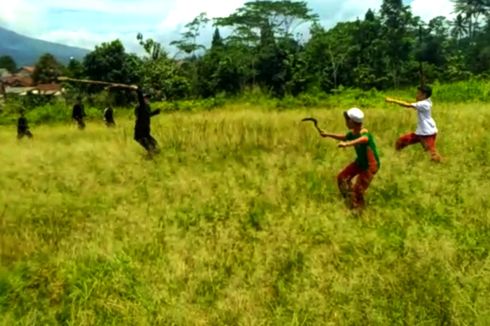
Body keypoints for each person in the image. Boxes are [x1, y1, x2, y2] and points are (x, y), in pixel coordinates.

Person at [320, 108, 380, 210]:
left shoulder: (364, 132)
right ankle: (350, 201)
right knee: (342, 178)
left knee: (359, 190)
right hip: (360, 163)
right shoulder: (353, 133)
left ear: (351, 121)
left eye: (347, 120)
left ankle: (359, 211)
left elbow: (364, 139)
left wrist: (347, 144)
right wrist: (327, 134)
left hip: (370, 165)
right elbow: (344, 137)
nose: (346, 122)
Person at [385, 85, 441, 162]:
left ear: (424, 95)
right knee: (401, 141)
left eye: (418, 93)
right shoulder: (427, 101)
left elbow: (407, 105)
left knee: (432, 154)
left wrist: (392, 100)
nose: (416, 95)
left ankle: (443, 163)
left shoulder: (424, 104)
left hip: (427, 133)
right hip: (420, 132)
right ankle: (396, 158)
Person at [131, 86, 161, 155]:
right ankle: (151, 151)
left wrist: (155, 113)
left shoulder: (147, 106)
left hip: (146, 126)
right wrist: (137, 90)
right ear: (143, 99)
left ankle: (153, 151)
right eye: (145, 98)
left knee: (152, 142)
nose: (147, 99)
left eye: (148, 98)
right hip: (140, 126)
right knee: (139, 138)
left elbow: (147, 115)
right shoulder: (140, 105)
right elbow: (139, 115)